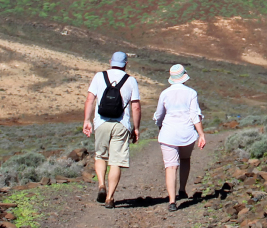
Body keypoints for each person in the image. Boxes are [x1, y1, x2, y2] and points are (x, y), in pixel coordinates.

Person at [82, 51, 140, 208]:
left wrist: (87, 120)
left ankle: (101, 184)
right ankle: (110, 197)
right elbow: (135, 106)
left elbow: (90, 99)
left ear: (110, 61)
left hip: (101, 122)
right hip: (121, 124)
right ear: (126, 64)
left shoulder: (99, 76)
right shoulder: (131, 80)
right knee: (116, 162)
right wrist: (136, 128)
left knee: (100, 156)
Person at [152, 64, 207, 211]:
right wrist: (201, 134)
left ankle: (172, 201)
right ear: (184, 77)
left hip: (168, 134)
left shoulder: (164, 93)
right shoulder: (191, 93)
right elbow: (195, 115)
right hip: (187, 133)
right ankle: (182, 189)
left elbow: (159, 115)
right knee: (185, 159)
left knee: (170, 166)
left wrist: (160, 127)